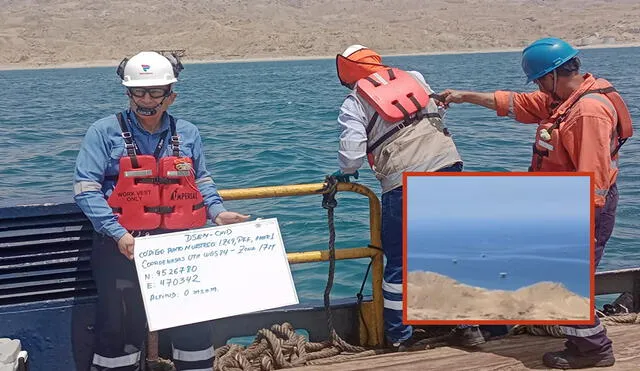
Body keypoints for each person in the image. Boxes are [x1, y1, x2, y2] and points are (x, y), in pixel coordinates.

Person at [438, 37, 633, 369]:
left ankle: (594, 348)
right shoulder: (568, 99)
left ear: (553, 75)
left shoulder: (587, 112)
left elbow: (593, 177)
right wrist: (464, 97)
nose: (540, 88)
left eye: (541, 80)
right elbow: (519, 104)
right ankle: (578, 340)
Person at [73, 50, 250, 371]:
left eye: (155, 92)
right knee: (120, 329)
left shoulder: (189, 133)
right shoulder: (102, 132)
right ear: (128, 93)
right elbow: (86, 188)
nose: (146, 99)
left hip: (177, 247)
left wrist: (217, 212)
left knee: (193, 324)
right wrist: (117, 232)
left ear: (171, 96)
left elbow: (201, 181)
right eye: (138, 92)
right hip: (122, 248)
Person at [332, 44, 486, 351]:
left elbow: (351, 157)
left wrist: (344, 173)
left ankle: (400, 337)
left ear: (349, 76)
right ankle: (468, 328)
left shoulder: (354, 102)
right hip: (448, 167)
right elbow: (437, 111)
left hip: (405, 182)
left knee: (400, 263)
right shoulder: (413, 76)